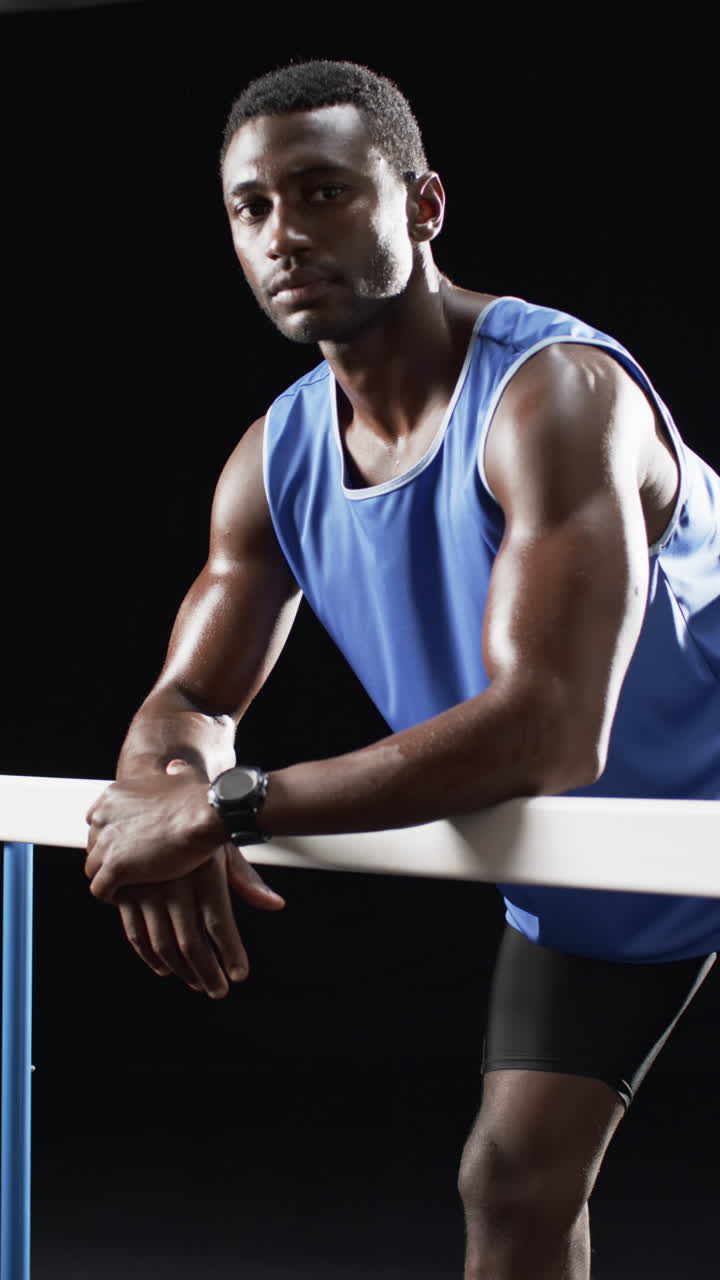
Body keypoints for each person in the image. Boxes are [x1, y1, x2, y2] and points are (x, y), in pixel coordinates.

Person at [84, 60, 720, 1280]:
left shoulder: (557, 397)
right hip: (613, 866)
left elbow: (548, 729)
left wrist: (221, 807)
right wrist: (167, 792)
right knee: (512, 1181)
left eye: (323, 191)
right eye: (252, 208)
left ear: (423, 205)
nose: (284, 234)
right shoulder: (273, 460)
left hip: (673, 806)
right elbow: (192, 700)